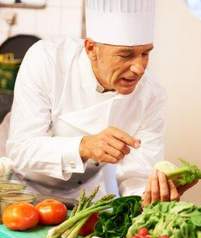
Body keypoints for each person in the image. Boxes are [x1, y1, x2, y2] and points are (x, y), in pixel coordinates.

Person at [6, 0, 166, 199]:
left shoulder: (151, 95)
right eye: (126, 55)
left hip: (86, 198)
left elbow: (138, 175)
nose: (139, 68)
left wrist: (150, 198)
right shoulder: (47, 59)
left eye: (145, 53)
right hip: (22, 191)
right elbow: (21, 151)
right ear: (91, 49)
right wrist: (83, 147)